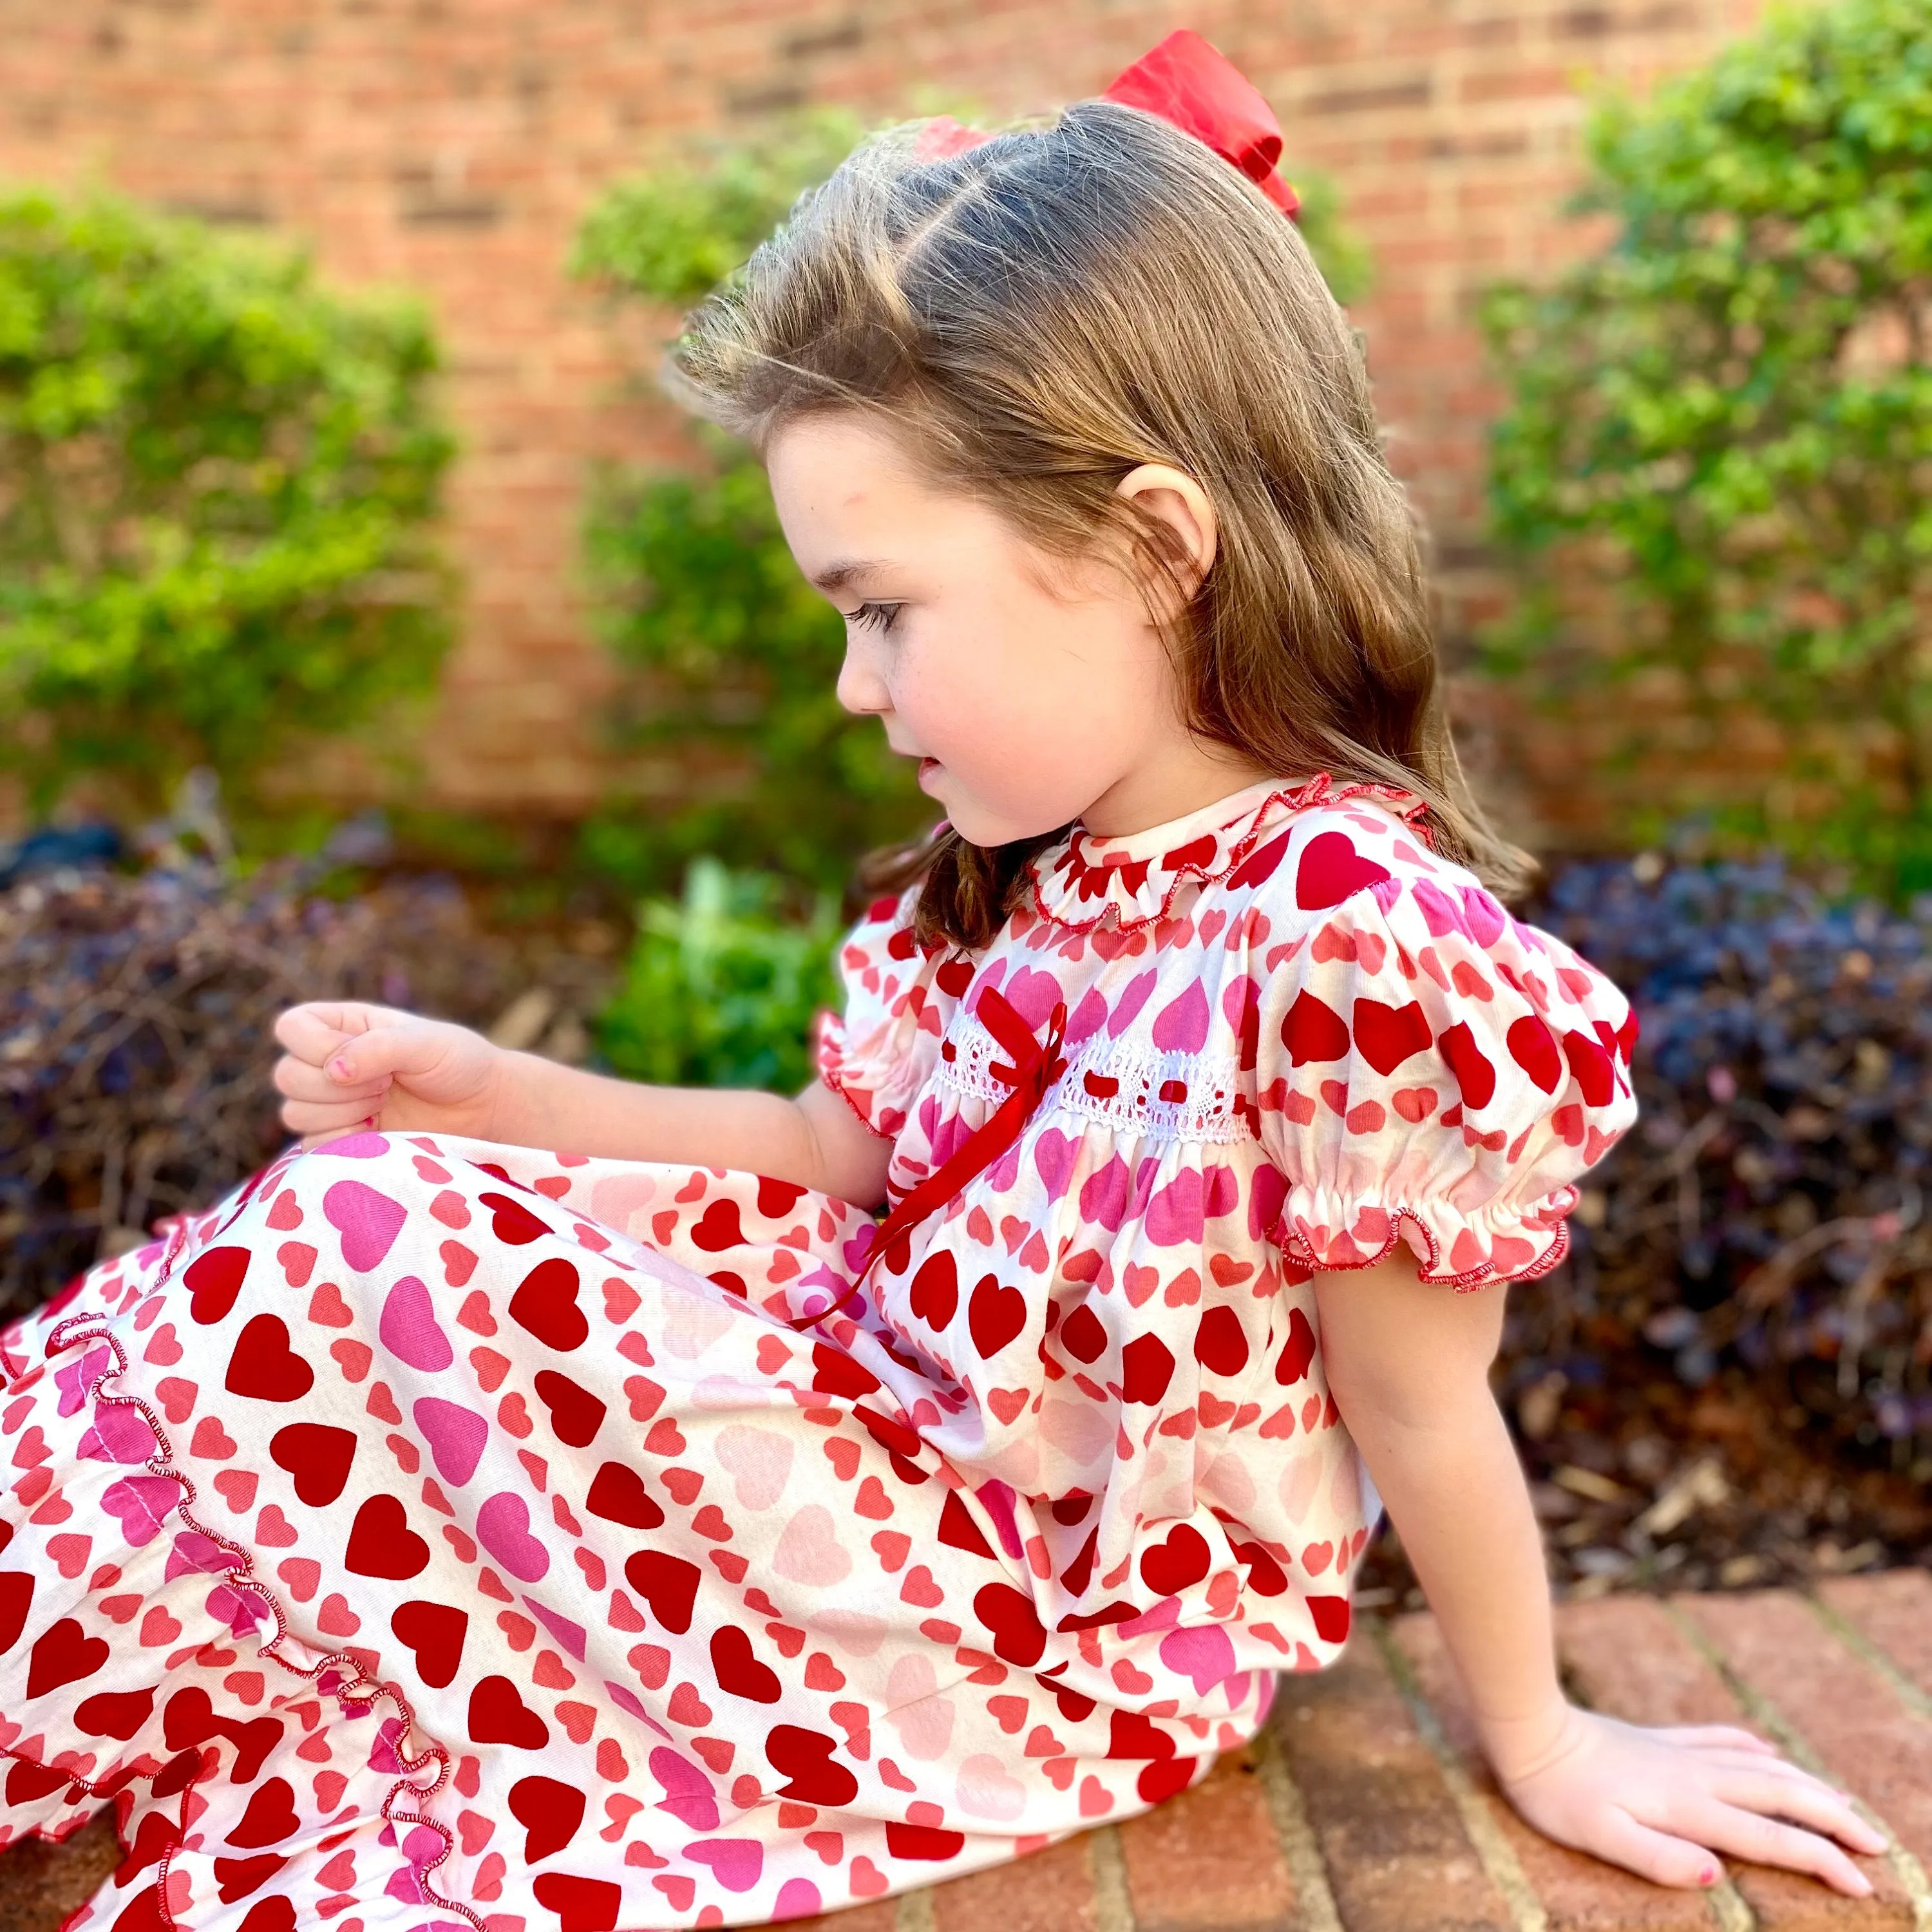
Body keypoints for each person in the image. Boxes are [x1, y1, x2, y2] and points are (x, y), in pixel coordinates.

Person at [0, 33, 1884, 1931]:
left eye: (880, 609)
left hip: (1028, 1610)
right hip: (871, 1441)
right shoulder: (1019, 882)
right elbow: (837, 1147)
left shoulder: (1347, 942)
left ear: (1152, 547)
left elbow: (1420, 1409)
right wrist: (502, 1097)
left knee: (356, 1265)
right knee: (361, 1216)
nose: (853, 685)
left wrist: (1546, 1738)